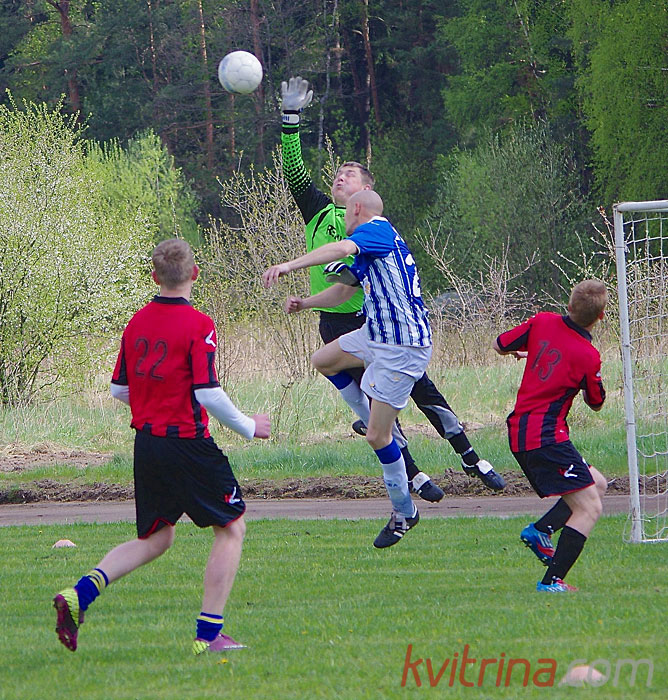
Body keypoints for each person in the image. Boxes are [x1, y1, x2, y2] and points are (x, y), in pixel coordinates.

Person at [279, 76, 504, 496]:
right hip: (338, 323)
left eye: (349, 174)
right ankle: (414, 475)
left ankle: (471, 457)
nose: (339, 178)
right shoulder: (319, 212)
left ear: (366, 191)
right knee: (375, 412)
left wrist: (291, 266)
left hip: (380, 325)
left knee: (421, 391)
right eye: (337, 174)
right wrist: (290, 119)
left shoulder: (373, 228)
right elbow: (293, 170)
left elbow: (347, 261)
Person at [53, 238, 270, 654]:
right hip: (187, 444)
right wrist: (248, 426)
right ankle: (209, 636)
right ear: (195, 274)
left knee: (157, 537)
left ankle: (80, 594)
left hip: (148, 444)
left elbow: (119, 390)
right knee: (232, 528)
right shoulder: (199, 324)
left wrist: (155, 404)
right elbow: (207, 393)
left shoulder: (137, 321)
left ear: (155, 277)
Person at [263, 190, 433, 548]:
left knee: (377, 438)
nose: (343, 221)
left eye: (345, 213)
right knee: (323, 360)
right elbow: (343, 292)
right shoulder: (373, 247)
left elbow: (341, 248)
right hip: (377, 335)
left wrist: (288, 266)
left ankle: (404, 512)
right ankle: (369, 416)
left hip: (401, 347)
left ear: (356, 209)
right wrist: (306, 303)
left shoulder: (377, 230)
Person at [493, 279, 608, 592]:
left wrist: (529, 351)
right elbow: (596, 403)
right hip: (544, 438)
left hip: (524, 431)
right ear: (600, 317)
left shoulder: (542, 322)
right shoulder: (588, 355)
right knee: (590, 508)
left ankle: (540, 531)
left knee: (597, 484)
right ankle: (551, 582)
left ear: (568, 306)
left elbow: (500, 344)